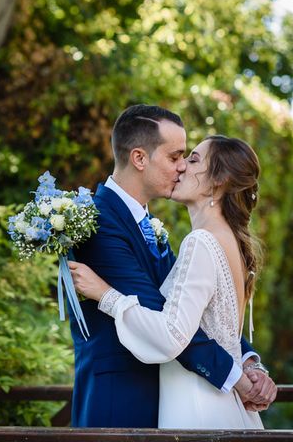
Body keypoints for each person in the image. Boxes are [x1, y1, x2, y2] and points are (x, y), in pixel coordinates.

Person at [67, 105, 276, 428]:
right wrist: (237, 376)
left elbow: (185, 316)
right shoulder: (99, 221)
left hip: (179, 399)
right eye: (176, 156)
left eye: (189, 158)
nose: (181, 168)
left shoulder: (162, 229)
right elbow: (173, 328)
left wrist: (247, 361)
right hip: (120, 399)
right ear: (139, 159)